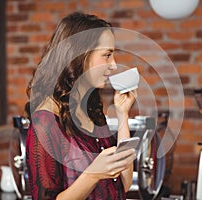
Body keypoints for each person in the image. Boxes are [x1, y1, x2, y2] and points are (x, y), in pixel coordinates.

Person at [25, 12, 137, 200]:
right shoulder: (45, 122)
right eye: (107, 55)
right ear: (80, 55)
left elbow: (123, 185)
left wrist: (122, 115)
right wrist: (93, 174)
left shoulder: (92, 111)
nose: (114, 65)